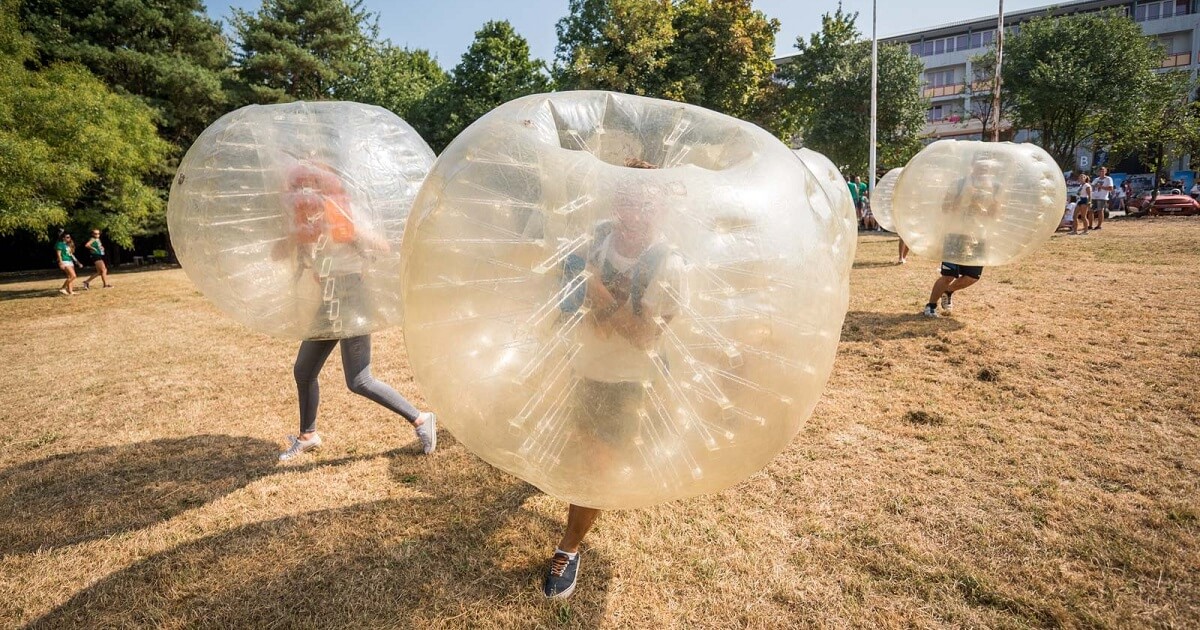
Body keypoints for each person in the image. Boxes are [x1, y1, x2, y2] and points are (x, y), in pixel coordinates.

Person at [543, 158, 685, 599]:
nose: (635, 216)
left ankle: (569, 548)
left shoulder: (669, 263)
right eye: (627, 203)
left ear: (660, 208)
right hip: (583, 365)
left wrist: (600, 296)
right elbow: (565, 286)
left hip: (628, 381)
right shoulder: (598, 237)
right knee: (581, 441)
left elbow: (647, 337)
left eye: (646, 205)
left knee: (597, 463)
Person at [272, 162, 437, 461]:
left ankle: (421, 419)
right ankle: (308, 435)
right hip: (329, 298)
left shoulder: (344, 209)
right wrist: (294, 235)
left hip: (352, 294)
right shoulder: (304, 220)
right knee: (304, 370)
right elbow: (280, 253)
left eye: (313, 186)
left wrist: (345, 228)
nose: (308, 193)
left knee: (359, 379)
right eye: (301, 188)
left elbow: (382, 246)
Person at [55, 231, 82, 296]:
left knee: (70, 277)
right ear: (63, 238)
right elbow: (58, 254)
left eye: (69, 237)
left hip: (70, 261)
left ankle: (70, 291)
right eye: (67, 237)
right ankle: (63, 288)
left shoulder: (67, 245)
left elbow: (71, 255)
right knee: (73, 276)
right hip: (65, 261)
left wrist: (78, 262)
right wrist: (61, 263)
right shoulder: (60, 244)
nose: (69, 238)